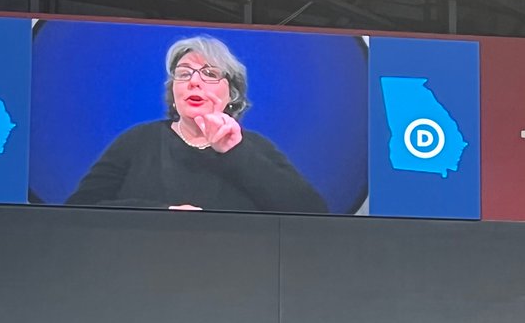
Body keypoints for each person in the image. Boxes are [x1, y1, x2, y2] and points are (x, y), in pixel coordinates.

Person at [67, 35, 329, 214]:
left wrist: (235, 153)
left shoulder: (255, 148)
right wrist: (159, 214)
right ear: (174, 91)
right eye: (184, 74)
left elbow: (312, 213)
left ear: (232, 94)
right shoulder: (137, 141)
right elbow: (78, 209)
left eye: (210, 74)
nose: (194, 82)